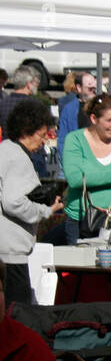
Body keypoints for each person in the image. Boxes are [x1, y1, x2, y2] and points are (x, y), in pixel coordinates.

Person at [1, 100, 65, 302]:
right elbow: (13, 202)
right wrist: (45, 210)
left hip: (5, 250)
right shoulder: (17, 157)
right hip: (10, 252)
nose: (45, 140)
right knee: (16, 316)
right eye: (42, 134)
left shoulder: (5, 149)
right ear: (27, 130)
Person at [60, 94, 111, 245]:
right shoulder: (75, 140)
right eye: (109, 120)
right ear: (93, 119)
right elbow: (75, 179)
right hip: (82, 221)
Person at [56, 72, 111, 155]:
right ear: (79, 88)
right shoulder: (69, 109)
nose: (93, 88)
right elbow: (63, 139)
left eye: (95, 84)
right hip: (80, 157)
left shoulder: (105, 103)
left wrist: (109, 80)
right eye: (89, 86)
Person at [0, 66, 41, 137]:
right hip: (27, 146)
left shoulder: (3, 103)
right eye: (36, 82)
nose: (37, 85)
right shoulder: (35, 105)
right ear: (29, 84)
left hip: (6, 145)